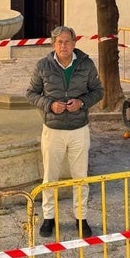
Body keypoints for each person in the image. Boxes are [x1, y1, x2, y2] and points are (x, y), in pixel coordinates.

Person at [26, 26, 104, 238]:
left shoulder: (86, 64)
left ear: (74, 43)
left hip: (79, 129)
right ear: (53, 44)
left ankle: (81, 217)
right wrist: (49, 105)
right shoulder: (43, 66)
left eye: (67, 41)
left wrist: (82, 102)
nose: (63, 46)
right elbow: (31, 93)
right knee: (50, 177)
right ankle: (49, 218)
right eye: (59, 42)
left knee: (80, 176)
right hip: (53, 130)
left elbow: (98, 91)